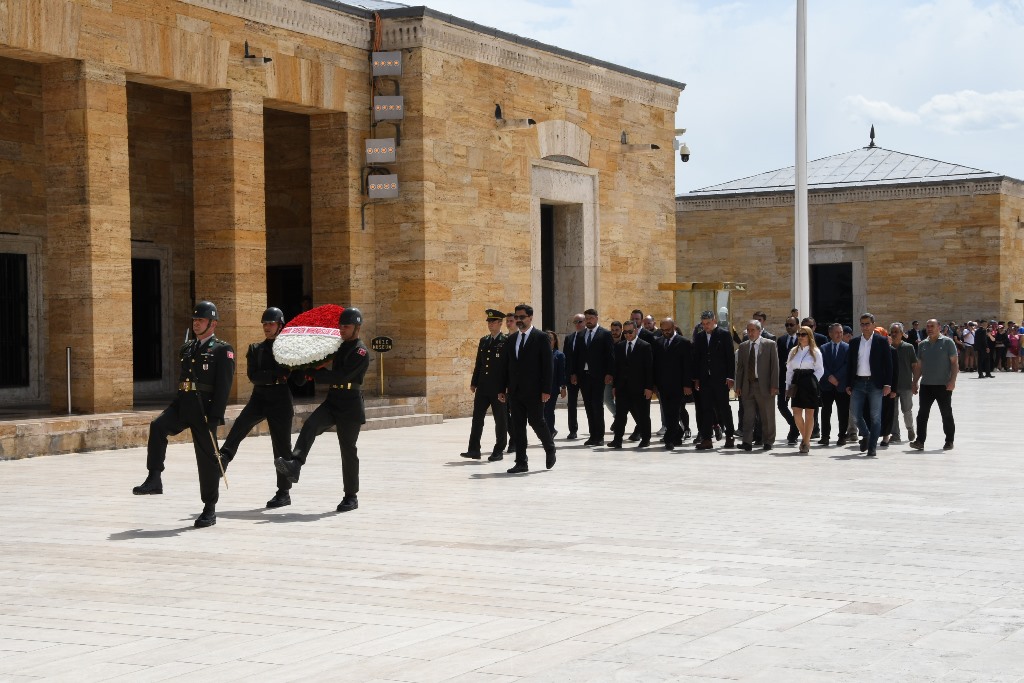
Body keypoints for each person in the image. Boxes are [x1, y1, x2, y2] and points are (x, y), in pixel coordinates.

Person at [133, 301, 235, 529]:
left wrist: (215, 416)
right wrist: (175, 405)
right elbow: (184, 381)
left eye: (201, 320)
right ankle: (154, 478)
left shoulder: (222, 350)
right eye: (195, 320)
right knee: (158, 426)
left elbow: (224, 386)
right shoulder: (188, 348)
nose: (196, 323)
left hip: (204, 410)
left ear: (213, 323)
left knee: (207, 460)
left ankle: (209, 509)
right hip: (184, 404)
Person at [275, 307, 370, 512]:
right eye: (341, 326)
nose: (342, 329)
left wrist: (314, 373)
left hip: (350, 404)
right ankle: (295, 464)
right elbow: (323, 361)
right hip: (334, 399)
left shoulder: (360, 352)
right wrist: (304, 366)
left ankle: (351, 496)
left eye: (346, 326)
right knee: (311, 425)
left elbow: (341, 376)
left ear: (357, 328)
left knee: (348, 450)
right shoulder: (339, 346)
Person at [217, 307, 294, 509]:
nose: (267, 327)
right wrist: (275, 374)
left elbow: (291, 376)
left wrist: (274, 373)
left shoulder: (289, 349)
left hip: (280, 399)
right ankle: (224, 458)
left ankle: (283, 492)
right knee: (240, 425)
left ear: (280, 325)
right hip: (259, 397)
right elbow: (254, 376)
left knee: (282, 448)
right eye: (265, 324)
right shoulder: (255, 349)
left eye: (271, 324)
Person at [499, 304, 557, 473]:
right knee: (518, 426)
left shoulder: (541, 337)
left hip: (535, 390)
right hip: (515, 391)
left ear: (530, 317)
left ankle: (550, 448)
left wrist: (546, 389)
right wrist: (502, 389)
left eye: (522, 317)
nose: (519, 320)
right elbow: (506, 366)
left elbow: (548, 366)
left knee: (536, 422)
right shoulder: (511, 340)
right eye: (517, 317)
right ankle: (521, 462)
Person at [461, 309, 509, 461]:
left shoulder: (506, 341)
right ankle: (474, 449)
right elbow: (479, 363)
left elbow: (508, 367)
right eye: (489, 322)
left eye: (493, 322)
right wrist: (474, 382)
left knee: (500, 420)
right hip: (483, 386)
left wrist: (506, 387)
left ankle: (499, 450)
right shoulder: (484, 340)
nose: (490, 324)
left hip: (498, 388)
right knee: (477, 418)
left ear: (500, 323)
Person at [846, 312, 893, 458]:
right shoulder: (854, 342)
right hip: (858, 383)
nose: (865, 327)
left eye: (867, 324)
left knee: (875, 417)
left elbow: (888, 364)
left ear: (873, 325)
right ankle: (866, 435)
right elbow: (850, 364)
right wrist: (848, 384)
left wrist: (888, 384)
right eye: (862, 324)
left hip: (875, 384)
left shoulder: (881, 341)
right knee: (855, 414)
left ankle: (872, 447)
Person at [910, 319, 958, 450]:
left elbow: (954, 363)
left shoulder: (948, 342)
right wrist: (914, 382)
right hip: (926, 385)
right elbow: (919, 366)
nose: (929, 328)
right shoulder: (922, 345)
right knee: (922, 414)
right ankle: (920, 441)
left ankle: (949, 441)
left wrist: (952, 381)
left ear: (939, 327)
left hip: (943, 385)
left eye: (932, 326)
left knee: (946, 413)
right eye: (928, 326)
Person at [692, 310, 735, 450]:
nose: (706, 326)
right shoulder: (699, 337)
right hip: (705, 379)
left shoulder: (724, 335)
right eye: (704, 324)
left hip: (721, 379)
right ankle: (707, 438)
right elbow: (697, 358)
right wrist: (696, 378)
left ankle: (730, 436)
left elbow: (730, 357)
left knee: (724, 408)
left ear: (714, 321)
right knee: (706, 408)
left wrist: (730, 376)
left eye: (708, 323)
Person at [734, 319, 779, 451]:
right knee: (748, 416)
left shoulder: (769, 345)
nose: (750, 333)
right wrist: (738, 386)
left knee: (767, 415)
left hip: (764, 386)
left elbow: (774, 367)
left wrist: (774, 385)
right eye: (748, 330)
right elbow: (740, 368)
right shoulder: (743, 346)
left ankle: (768, 441)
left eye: (753, 330)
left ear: (759, 331)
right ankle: (747, 442)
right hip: (747, 385)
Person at [572, 308, 614, 446]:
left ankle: (600, 436)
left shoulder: (605, 334)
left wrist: (609, 373)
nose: (588, 321)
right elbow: (576, 356)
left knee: (597, 405)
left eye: (591, 318)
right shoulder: (580, 334)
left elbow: (610, 355)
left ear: (596, 318)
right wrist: (574, 373)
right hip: (583, 375)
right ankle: (592, 435)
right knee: (588, 406)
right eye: (586, 319)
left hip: (598, 376)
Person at [609, 321, 654, 448]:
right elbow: (616, 368)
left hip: (640, 388)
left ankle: (645, 439)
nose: (628, 334)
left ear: (635, 330)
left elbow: (649, 368)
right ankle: (617, 440)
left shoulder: (645, 346)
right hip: (622, 388)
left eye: (630, 332)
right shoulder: (619, 346)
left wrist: (649, 387)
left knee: (643, 415)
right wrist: (614, 386)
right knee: (620, 415)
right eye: (625, 332)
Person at [653, 317, 692, 450]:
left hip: (678, 385)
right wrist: (654, 384)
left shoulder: (684, 342)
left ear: (674, 327)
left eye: (668, 330)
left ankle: (669, 439)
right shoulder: (658, 343)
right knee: (667, 412)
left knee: (675, 412)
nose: (666, 332)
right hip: (663, 385)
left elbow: (687, 366)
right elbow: (655, 365)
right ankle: (678, 434)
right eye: (663, 330)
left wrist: (687, 385)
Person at [786, 325, 823, 453]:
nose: (800, 337)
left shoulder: (815, 351)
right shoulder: (793, 351)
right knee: (796, 412)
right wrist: (787, 386)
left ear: (809, 336)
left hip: (809, 381)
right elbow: (789, 370)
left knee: (809, 413)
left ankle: (806, 442)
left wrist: (813, 381)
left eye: (803, 334)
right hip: (796, 381)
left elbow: (820, 370)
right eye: (799, 334)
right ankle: (805, 438)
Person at [884, 323, 918, 445]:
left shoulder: (909, 347)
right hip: (891, 386)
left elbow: (914, 365)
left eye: (896, 332)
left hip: (906, 385)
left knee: (907, 410)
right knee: (893, 412)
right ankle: (895, 434)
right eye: (892, 332)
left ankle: (910, 428)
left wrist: (915, 382)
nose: (894, 334)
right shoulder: (887, 348)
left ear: (902, 333)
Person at [818, 323, 850, 447]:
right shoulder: (823, 348)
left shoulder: (847, 348)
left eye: (841, 332)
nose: (839, 334)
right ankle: (825, 436)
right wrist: (829, 377)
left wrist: (836, 377)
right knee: (826, 412)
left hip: (841, 385)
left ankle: (842, 436)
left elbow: (847, 365)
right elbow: (821, 364)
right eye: (836, 332)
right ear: (830, 334)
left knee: (843, 412)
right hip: (826, 385)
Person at [776, 316, 801, 444]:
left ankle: (793, 433)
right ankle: (794, 426)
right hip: (783, 379)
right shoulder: (781, 340)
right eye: (787, 325)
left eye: (791, 325)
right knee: (781, 405)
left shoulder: (802, 340)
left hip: (797, 379)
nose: (789, 327)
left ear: (797, 325)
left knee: (796, 407)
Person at [562, 313, 586, 439]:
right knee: (571, 404)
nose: (577, 324)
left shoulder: (589, 337)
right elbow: (567, 358)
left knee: (590, 404)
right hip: (571, 376)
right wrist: (570, 374)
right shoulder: (569, 338)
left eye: (580, 321)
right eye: (575, 322)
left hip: (585, 375)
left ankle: (594, 430)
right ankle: (572, 429)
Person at [544, 330, 567, 438]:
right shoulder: (539, 354)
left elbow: (562, 373)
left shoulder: (559, 355)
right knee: (542, 412)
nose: (549, 341)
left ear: (555, 341)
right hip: (540, 388)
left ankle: (550, 432)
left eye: (551, 339)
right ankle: (550, 430)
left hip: (552, 388)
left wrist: (563, 387)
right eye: (547, 339)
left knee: (549, 410)